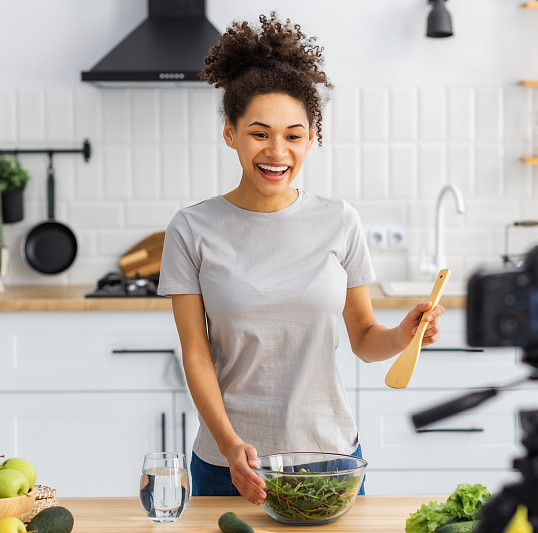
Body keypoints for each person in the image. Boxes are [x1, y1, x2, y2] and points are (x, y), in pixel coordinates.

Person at [157, 12, 444, 505]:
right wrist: (229, 446)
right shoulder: (192, 228)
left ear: (312, 137)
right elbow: (196, 352)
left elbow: (364, 339)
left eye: (293, 135)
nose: (277, 151)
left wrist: (404, 334)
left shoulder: (339, 221)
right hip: (230, 461)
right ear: (231, 133)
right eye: (259, 132)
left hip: (329, 457)